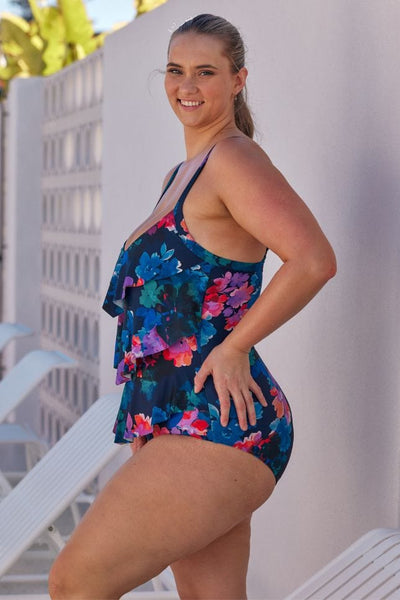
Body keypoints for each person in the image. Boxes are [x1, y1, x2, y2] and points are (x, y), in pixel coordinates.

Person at [49, 13, 336, 600]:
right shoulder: (182, 173)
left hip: (218, 421)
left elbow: (312, 259)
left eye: (206, 71)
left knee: (74, 582)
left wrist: (236, 345)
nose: (187, 85)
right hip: (179, 418)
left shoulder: (234, 158)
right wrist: (149, 421)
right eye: (176, 70)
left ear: (238, 80)